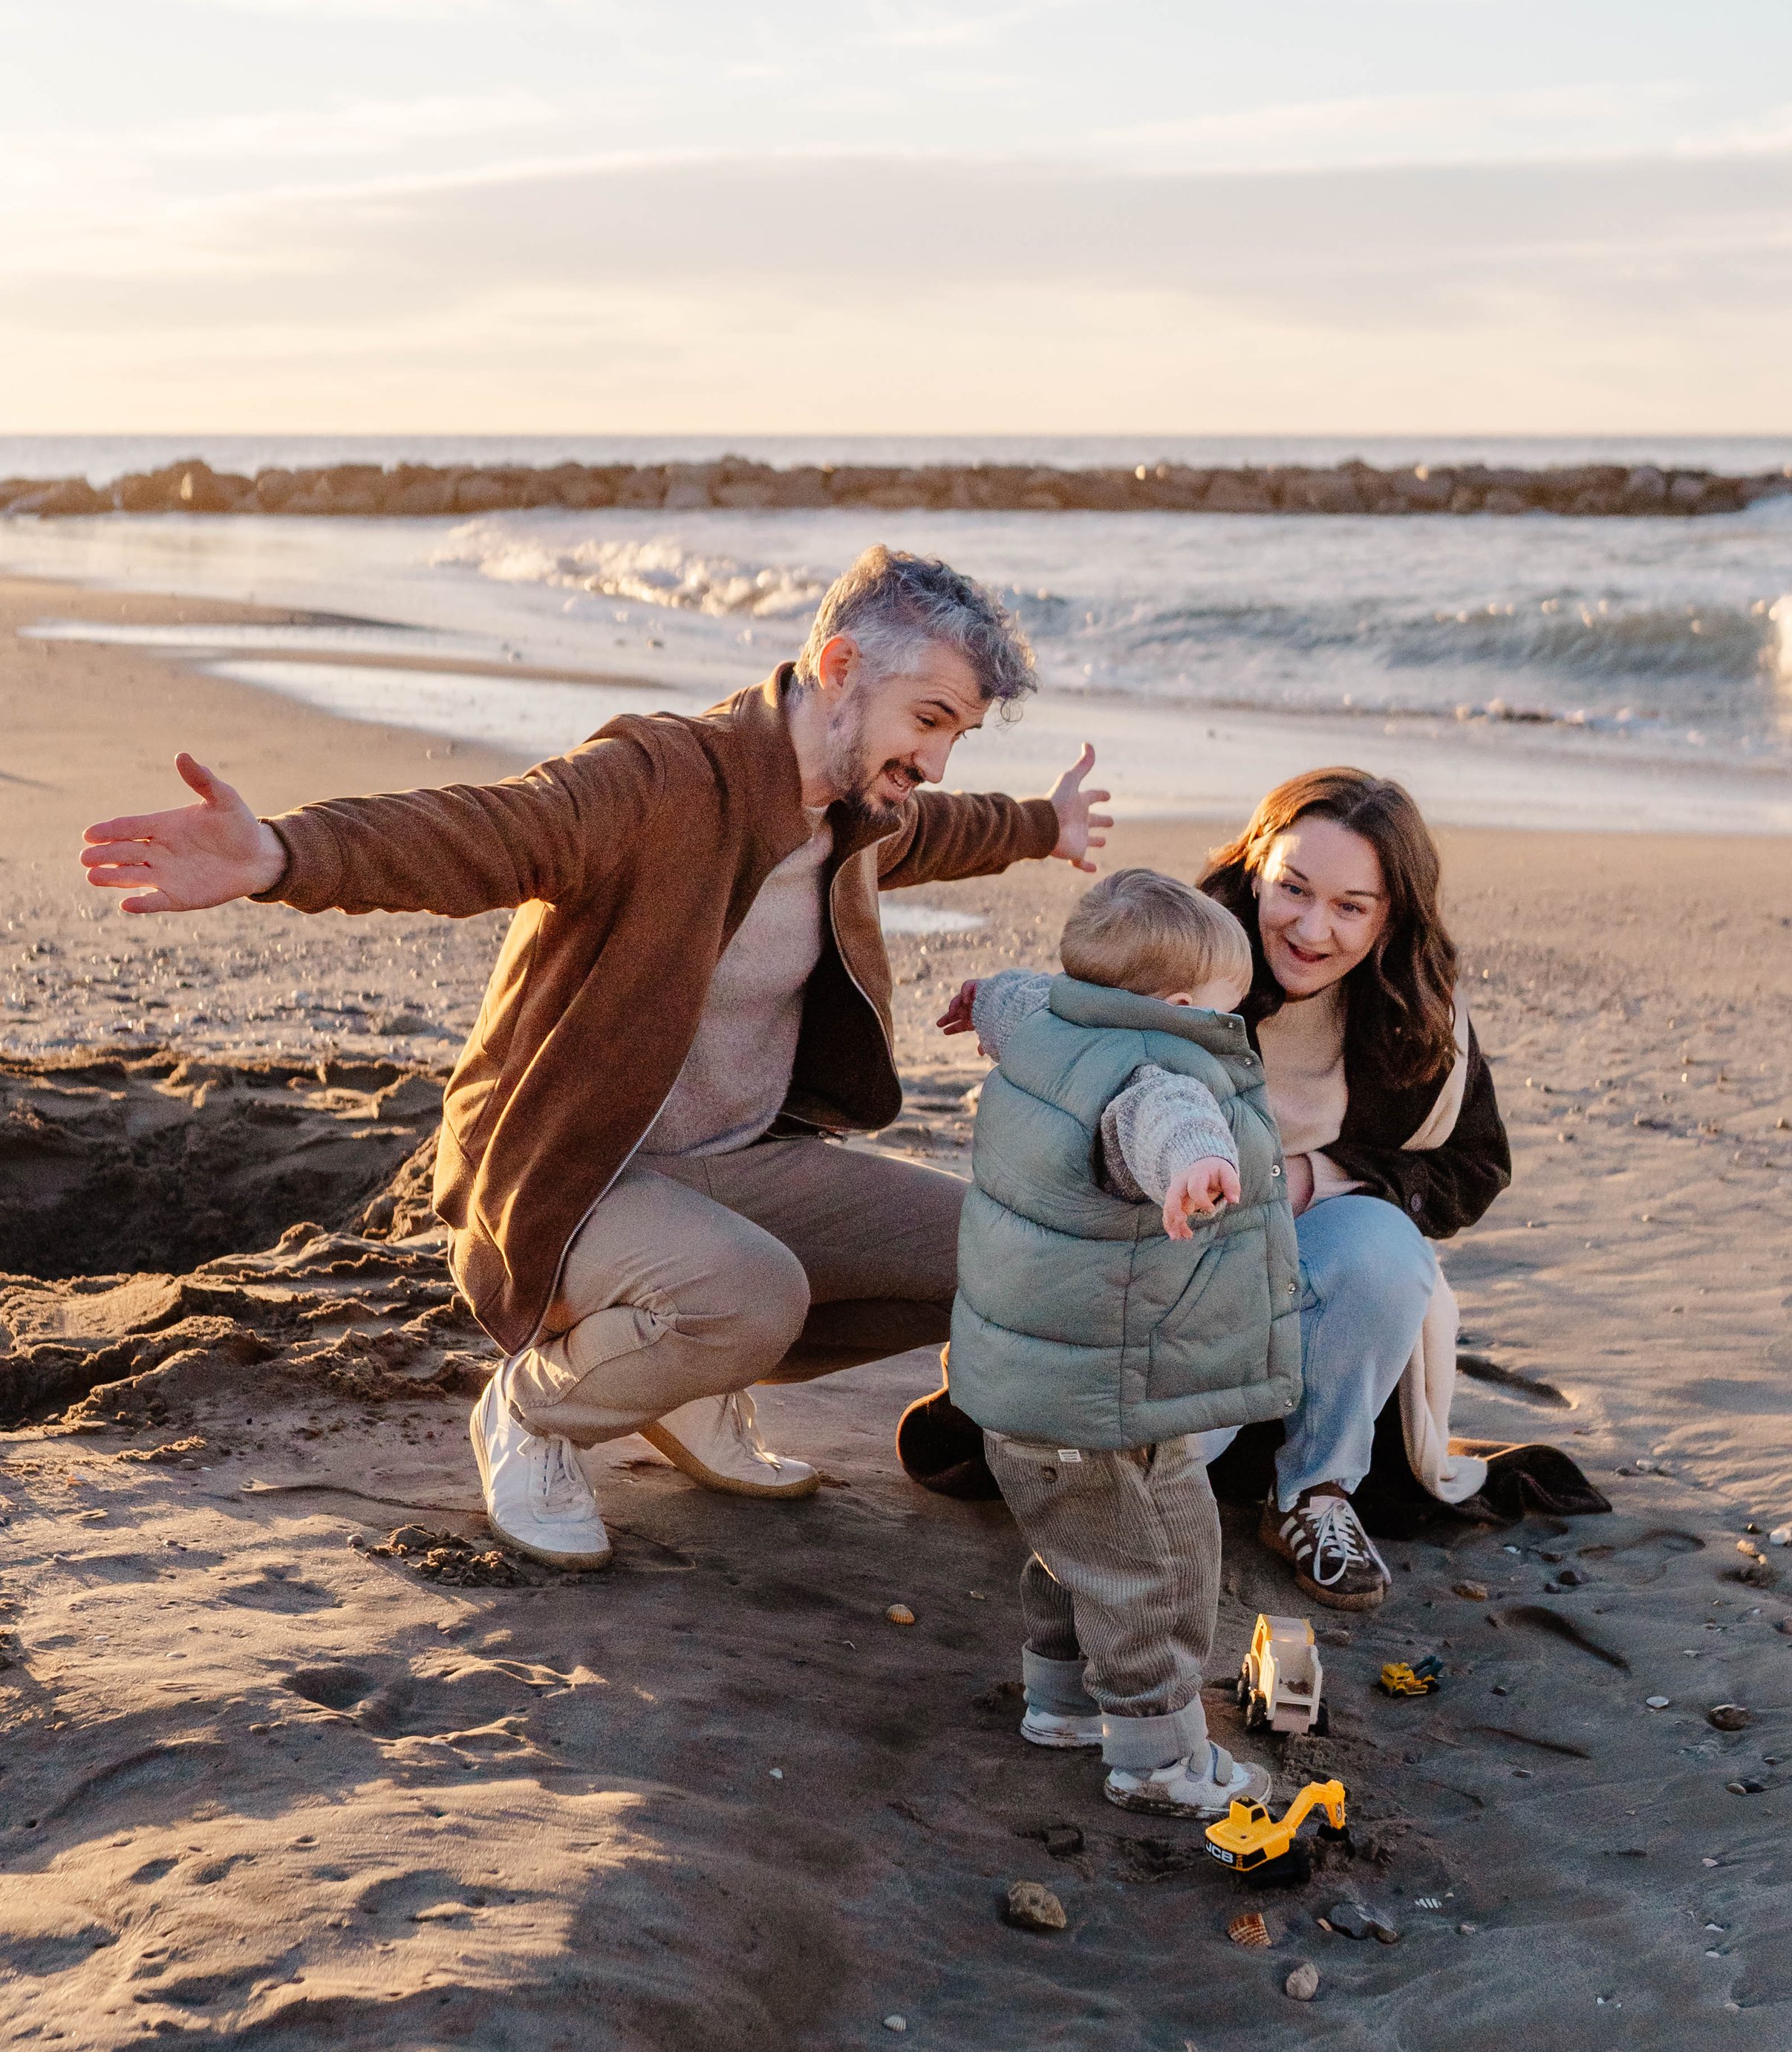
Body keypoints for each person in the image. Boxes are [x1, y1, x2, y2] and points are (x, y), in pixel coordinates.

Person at [77, 546, 1112, 1570]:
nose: (934, 761)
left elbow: (932, 830)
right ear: (839, 667)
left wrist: (1043, 823)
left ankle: (682, 1383)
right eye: (928, 721)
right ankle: (533, 1412)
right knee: (751, 1296)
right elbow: (492, 828)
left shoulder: (855, 806)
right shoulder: (661, 778)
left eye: (957, 734)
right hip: (575, 1175)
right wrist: (285, 855)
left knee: (1000, 1259)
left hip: (737, 1160)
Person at [940, 869, 1297, 1820]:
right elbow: (1161, 1119)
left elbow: (1012, 994)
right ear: (1178, 1007)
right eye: (1227, 1003)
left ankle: (1059, 1706)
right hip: (1101, 1389)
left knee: (1084, 1549)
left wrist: (979, 1000)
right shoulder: (1157, 1073)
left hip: (1050, 1382)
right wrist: (1199, 1164)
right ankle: (1156, 1757)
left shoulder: (1049, 1018)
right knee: (1151, 1572)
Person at [1196, 768, 1512, 1611]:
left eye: (1349, 906)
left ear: (1389, 916)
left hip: (1310, 1284)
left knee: (1384, 1248)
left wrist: (1314, 1177)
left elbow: (1472, 1169)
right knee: (1153, 1467)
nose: (1309, 928)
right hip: (1162, 1264)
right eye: (1292, 889)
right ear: (1256, 864)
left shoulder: (1417, 1012)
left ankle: (1315, 1493)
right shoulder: (1180, 953)